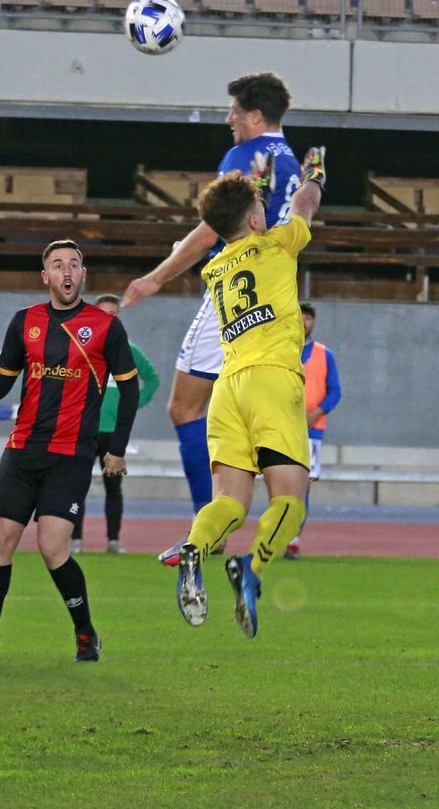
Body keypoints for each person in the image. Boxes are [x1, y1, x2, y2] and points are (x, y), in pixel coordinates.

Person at [123, 72, 303, 537]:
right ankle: (244, 516)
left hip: (234, 285)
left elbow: (212, 227)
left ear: (256, 116)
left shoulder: (244, 156)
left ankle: (210, 524)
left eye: (235, 112)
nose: (229, 119)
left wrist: (155, 277)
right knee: (245, 403)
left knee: (184, 407)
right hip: (275, 290)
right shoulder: (292, 161)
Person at [160, 146, 327, 639]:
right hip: (273, 379)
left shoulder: (214, 270)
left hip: (227, 389)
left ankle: (194, 546)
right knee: (291, 502)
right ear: (257, 220)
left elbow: (234, 222)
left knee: (230, 504)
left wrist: (256, 188)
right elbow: (306, 204)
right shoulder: (278, 245)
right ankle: (251, 569)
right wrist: (313, 173)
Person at [0, 241, 141, 663]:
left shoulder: (105, 326)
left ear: (82, 275)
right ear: (45, 276)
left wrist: (117, 449)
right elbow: (5, 374)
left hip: (72, 452)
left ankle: (85, 634)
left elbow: (130, 386)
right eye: (57, 265)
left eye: (73, 265)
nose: (65, 271)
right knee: (0, 540)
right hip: (23, 449)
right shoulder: (26, 321)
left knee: (52, 547)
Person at [71, 294, 161, 556]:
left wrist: (133, 405)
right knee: (77, 485)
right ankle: (75, 540)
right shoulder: (81, 348)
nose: (110, 317)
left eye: (115, 313)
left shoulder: (130, 351)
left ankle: (113, 541)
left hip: (113, 434)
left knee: (113, 488)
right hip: (84, 430)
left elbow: (152, 379)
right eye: (104, 312)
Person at [287, 302, 340, 560]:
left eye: (307, 318)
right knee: (282, 485)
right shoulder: (283, 351)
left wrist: (316, 413)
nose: (303, 322)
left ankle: (293, 540)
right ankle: (278, 536)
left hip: (312, 432)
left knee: (302, 487)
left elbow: (336, 392)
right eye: (299, 317)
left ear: (313, 322)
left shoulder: (324, 354)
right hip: (283, 429)